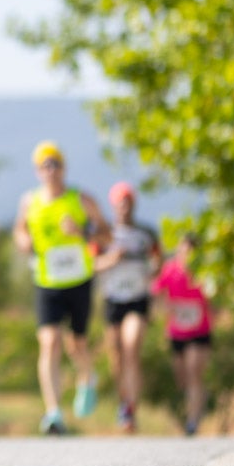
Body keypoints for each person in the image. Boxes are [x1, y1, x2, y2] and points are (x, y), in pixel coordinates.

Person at [13, 141, 111, 435]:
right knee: (50, 341)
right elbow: (20, 230)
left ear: (64, 168)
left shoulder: (81, 199)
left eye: (55, 164)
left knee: (76, 344)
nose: (51, 170)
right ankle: (53, 412)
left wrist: (81, 231)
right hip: (47, 281)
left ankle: (88, 377)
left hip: (79, 280)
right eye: (45, 165)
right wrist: (24, 242)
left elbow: (106, 235)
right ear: (37, 171)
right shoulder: (29, 201)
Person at [94, 181, 161, 433]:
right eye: (120, 202)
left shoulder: (146, 233)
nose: (125, 207)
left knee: (131, 346)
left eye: (128, 202)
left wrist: (152, 270)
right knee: (117, 356)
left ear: (134, 204)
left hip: (137, 297)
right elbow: (91, 263)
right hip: (113, 299)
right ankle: (123, 403)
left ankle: (132, 407)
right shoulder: (104, 234)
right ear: (114, 205)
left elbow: (158, 260)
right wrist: (112, 259)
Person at [150, 232, 212, 436]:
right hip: (177, 332)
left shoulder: (205, 272)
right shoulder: (170, 270)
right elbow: (157, 293)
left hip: (200, 331)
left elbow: (215, 298)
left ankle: (193, 420)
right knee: (182, 378)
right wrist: (164, 308)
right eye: (183, 250)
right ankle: (198, 398)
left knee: (194, 371)